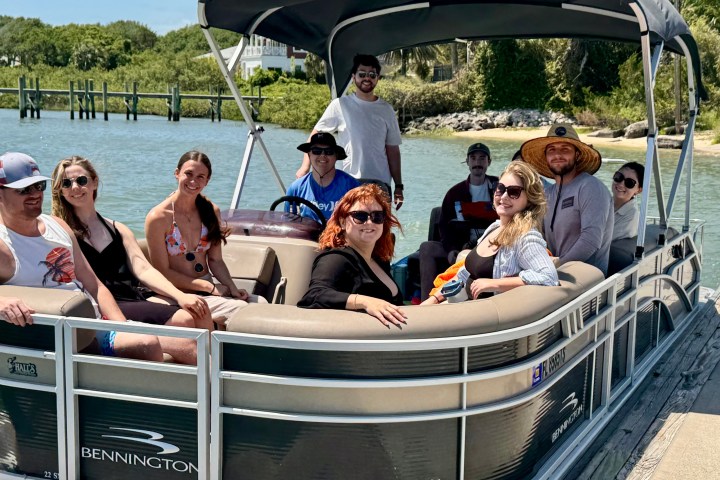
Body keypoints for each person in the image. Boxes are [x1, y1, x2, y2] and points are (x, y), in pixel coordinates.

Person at [51, 156, 214, 365]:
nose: (75, 187)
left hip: (132, 295)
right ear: (61, 191)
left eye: (81, 181)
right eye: (66, 183)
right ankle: (203, 377)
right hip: (101, 303)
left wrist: (180, 295)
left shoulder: (117, 229)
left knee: (197, 309)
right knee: (185, 319)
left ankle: (211, 370)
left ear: (94, 182)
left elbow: (143, 269)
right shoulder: (61, 232)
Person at [0, 152, 163, 361]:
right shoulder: (4, 245)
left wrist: (121, 327)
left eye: (38, 186)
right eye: (24, 189)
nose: (34, 194)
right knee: (145, 343)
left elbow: (93, 284)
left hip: (97, 322)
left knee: (190, 343)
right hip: (63, 339)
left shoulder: (57, 225)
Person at [145, 150, 267, 328]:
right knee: (240, 309)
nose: (193, 181)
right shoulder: (158, 217)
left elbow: (216, 260)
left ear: (207, 181)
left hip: (208, 290)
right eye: (188, 174)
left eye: (200, 177)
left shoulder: (211, 211)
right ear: (177, 173)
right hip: (178, 294)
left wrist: (231, 287)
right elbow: (163, 272)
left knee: (261, 302)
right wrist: (207, 287)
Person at [422, 162, 558, 304]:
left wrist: (495, 284)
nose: (504, 196)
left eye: (514, 192)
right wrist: (433, 300)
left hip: (489, 317)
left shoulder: (526, 237)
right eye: (500, 189)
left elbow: (549, 277)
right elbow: (463, 274)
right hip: (465, 306)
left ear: (529, 199)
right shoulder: (494, 227)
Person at [295, 54, 404, 209]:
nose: (367, 78)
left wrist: (399, 186)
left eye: (372, 75)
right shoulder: (339, 105)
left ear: (378, 78)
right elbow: (314, 137)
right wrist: (305, 167)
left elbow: (393, 151)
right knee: (346, 228)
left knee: (379, 230)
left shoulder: (387, 110)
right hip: (346, 180)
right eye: (362, 74)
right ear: (353, 77)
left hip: (380, 183)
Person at [298, 184, 407, 328]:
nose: (369, 222)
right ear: (343, 222)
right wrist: (365, 301)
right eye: (360, 216)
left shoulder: (380, 258)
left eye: (377, 216)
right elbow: (314, 296)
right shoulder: (336, 258)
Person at [521, 123, 614, 275]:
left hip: (587, 279)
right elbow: (539, 236)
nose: (558, 155)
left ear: (577, 155)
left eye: (565, 149)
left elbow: (591, 241)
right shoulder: (548, 193)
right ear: (546, 157)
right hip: (553, 274)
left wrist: (557, 265)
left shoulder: (590, 187)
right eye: (552, 150)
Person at [418, 142, 499, 299]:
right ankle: (425, 301)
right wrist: (450, 250)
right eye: (473, 158)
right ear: (467, 162)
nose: (477, 163)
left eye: (482, 158)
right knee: (426, 248)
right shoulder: (454, 193)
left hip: (491, 247)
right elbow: (443, 226)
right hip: (461, 246)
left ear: (489, 162)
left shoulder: (500, 188)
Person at [287, 132, 360, 223]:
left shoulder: (352, 187)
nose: (322, 155)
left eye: (329, 152)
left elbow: (359, 223)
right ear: (309, 155)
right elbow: (289, 224)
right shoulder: (295, 189)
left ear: (336, 156)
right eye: (316, 151)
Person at [611, 161, 644, 240]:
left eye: (629, 183)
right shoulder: (601, 202)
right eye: (619, 177)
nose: (621, 184)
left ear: (638, 190)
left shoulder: (631, 217)